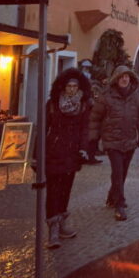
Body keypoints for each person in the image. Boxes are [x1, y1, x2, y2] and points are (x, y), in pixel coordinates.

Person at [89, 65, 139, 220]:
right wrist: (93, 139)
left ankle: (112, 195)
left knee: (123, 171)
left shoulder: (137, 95)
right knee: (118, 171)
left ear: (131, 78)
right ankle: (120, 204)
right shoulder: (106, 96)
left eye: (127, 76)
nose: (124, 79)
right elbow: (95, 117)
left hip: (129, 139)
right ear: (116, 79)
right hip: (112, 140)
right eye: (121, 77)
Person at [44, 67, 92, 248]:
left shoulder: (83, 106)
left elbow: (84, 129)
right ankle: (53, 229)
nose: (71, 89)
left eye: (74, 86)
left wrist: (83, 149)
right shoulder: (52, 104)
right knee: (52, 190)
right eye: (69, 86)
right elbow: (43, 128)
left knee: (66, 189)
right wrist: (36, 155)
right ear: (62, 87)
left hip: (71, 154)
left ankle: (62, 222)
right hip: (53, 152)